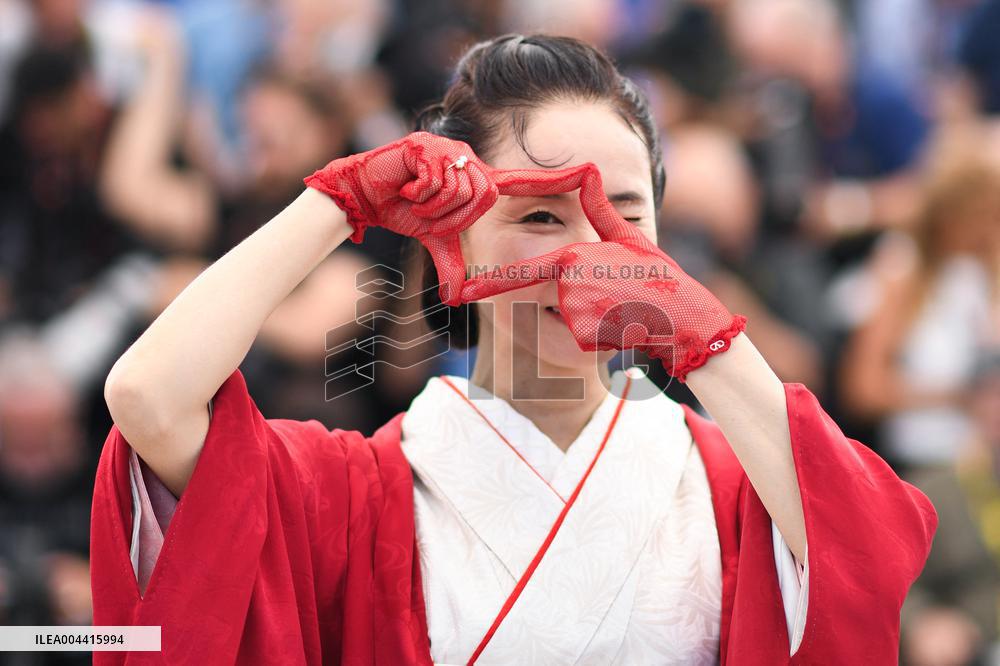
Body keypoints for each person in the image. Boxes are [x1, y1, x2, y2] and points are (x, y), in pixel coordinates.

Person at [92, 34, 936, 664]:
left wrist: (699, 330)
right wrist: (338, 201)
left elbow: (865, 552)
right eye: (539, 215)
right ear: (448, 236)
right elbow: (148, 398)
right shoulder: (354, 494)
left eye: (625, 217)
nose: (585, 258)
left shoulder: (732, 481)